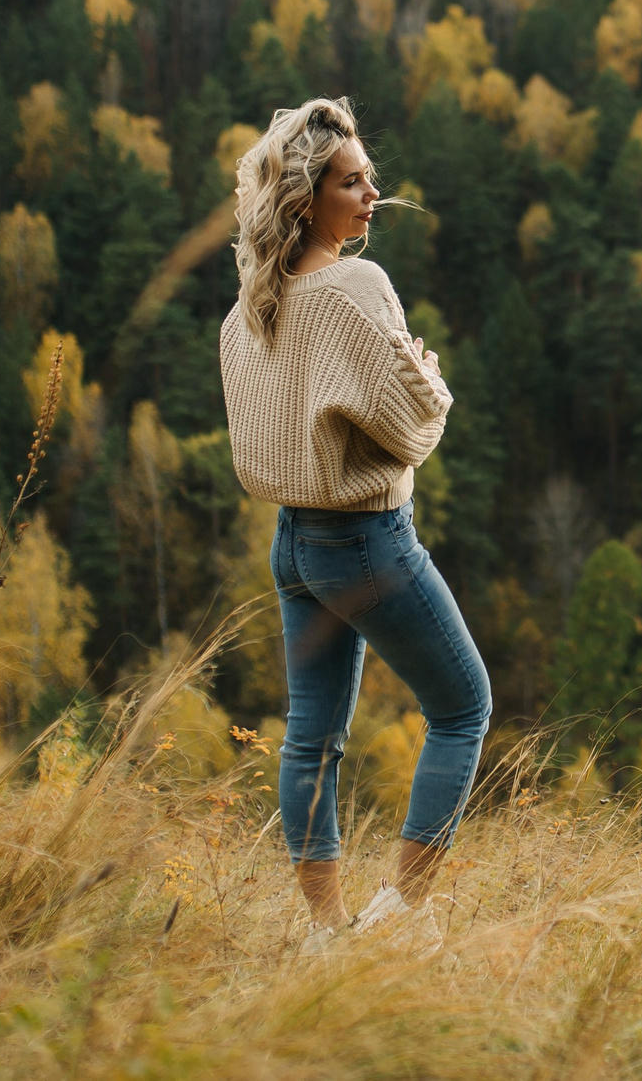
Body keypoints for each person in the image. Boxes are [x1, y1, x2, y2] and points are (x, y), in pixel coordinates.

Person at [219, 96, 490, 943]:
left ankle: (327, 936)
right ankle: (399, 912)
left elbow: (266, 438)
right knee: (463, 706)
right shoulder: (356, 287)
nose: (372, 194)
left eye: (370, 177)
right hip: (368, 542)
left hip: (294, 546)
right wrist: (430, 379)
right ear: (306, 200)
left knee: (311, 739)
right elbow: (414, 426)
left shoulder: (248, 310)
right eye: (351, 181)